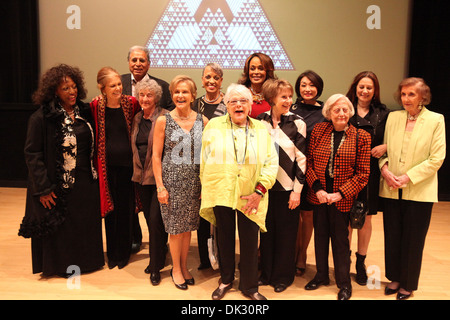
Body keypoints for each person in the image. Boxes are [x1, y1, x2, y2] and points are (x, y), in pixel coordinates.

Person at [19, 64, 104, 276]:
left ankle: (88, 263)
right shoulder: (43, 117)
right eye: (65, 88)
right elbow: (32, 154)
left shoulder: (84, 111)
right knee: (64, 228)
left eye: (74, 87)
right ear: (54, 91)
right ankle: (62, 267)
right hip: (58, 184)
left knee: (84, 225)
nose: (72, 91)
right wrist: (44, 188)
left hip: (86, 180)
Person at [200, 83, 279, 300]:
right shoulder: (214, 126)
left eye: (243, 101)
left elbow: (271, 162)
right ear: (226, 105)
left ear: (250, 105)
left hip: (251, 194)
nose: (238, 105)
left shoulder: (261, 129)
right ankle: (226, 280)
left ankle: (250, 286)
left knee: (249, 241)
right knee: (224, 238)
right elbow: (204, 159)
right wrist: (205, 187)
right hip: (221, 191)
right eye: (233, 101)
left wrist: (259, 191)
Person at [380, 77, 446, 300]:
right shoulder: (394, 117)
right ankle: (395, 278)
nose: (406, 98)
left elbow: (437, 158)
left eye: (412, 94)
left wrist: (408, 177)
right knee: (393, 235)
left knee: (413, 238)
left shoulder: (436, 120)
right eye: (404, 94)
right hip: (391, 187)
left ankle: (408, 283)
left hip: (419, 190)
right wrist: (385, 170)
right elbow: (386, 151)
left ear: (423, 97)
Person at [304, 94, 371, 300]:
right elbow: (309, 163)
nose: (341, 113)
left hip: (343, 199)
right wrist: (318, 190)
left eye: (345, 110)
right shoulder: (318, 130)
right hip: (319, 196)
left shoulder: (361, 136)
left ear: (350, 112)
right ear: (329, 113)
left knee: (341, 243)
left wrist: (339, 194)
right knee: (321, 238)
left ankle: (344, 283)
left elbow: (363, 174)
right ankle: (322, 275)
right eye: (336, 110)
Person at [152, 75, 208, 290]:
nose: (180, 95)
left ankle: (184, 267)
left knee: (188, 229)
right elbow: (156, 157)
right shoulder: (163, 120)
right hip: (171, 182)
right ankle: (176, 269)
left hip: (194, 182)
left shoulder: (203, 121)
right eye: (176, 91)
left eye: (185, 92)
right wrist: (160, 186)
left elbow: (206, 156)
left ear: (193, 96)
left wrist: (205, 185)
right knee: (175, 229)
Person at [121, 45, 174, 253]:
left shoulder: (162, 85)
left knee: (155, 215)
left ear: (149, 63)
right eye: (134, 60)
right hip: (132, 156)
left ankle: (159, 250)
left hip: (156, 158)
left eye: (142, 60)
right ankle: (136, 238)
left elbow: (171, 115)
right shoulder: (121, 83)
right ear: (128, 63)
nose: (137, 64)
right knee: (131, 206)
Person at [257, 79, 307, 292]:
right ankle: (266, 273)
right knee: (266, 233)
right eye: (283, 97)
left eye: (289, 96)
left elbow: (302, 159)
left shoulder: (297, 123)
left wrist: (297, 191)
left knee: (287, 235)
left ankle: (283, 277)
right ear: (271, 99)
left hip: (288, 190)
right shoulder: (260, 121)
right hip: (265, 189)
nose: (288, 101)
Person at [91, 67, 141, 269]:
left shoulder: (131, 103)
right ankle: (112, 255)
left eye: (119, 84)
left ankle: (124, 253)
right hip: (106, 169)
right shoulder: (95, 106)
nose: (118, 88)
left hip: (128, 168)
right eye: (113, 85)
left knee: (127, 210)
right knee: (110, 211)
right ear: (102, 88)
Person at [346, 71, 390, 285]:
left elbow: (398, 137)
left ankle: (360, 262)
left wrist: (386, 146)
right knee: (345, 219)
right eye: (361, 87)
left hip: (370, 173)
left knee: (366, 218)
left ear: (375, 91)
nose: (364, 91)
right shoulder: (344, 108)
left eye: (369, 88)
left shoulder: (384, 113)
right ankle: (343, 261)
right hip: (345, 172)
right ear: (355, 88)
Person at [131, 79, 168, 285]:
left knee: (155, 221)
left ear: (157, 97)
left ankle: (155, 267)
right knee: (150, 221)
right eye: (142, 95)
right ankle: (159, 256)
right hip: (141, 179)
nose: (145, 99)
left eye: (149, 95)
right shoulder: (137, 118)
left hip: (159, 179)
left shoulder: (165, 117)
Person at [192, 63, 227, 270]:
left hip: (222, 166)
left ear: (221, 80)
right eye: (207, 77)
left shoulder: (229, 103)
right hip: (199, 164)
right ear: (202, 80)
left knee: (221, 215)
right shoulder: (194, 104)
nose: (211, 81)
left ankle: (222, 258)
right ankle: (206, 260)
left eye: (215, 77)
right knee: (203, 213)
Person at [290, 70, 325, 276]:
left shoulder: (325, 112)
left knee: (307, 214)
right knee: (293, 214)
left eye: (311, 85)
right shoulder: (291, 108)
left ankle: (302, 254)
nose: (307, 89)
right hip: (290, 169)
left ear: (318, 88)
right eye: (303, 85)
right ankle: (292, 251)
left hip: (312, 170)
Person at [238, 52, 277, 118]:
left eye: (260, 68)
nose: (256, 72)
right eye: (252, 69)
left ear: (268, 71)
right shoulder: (239, 93)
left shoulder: (275, 93)